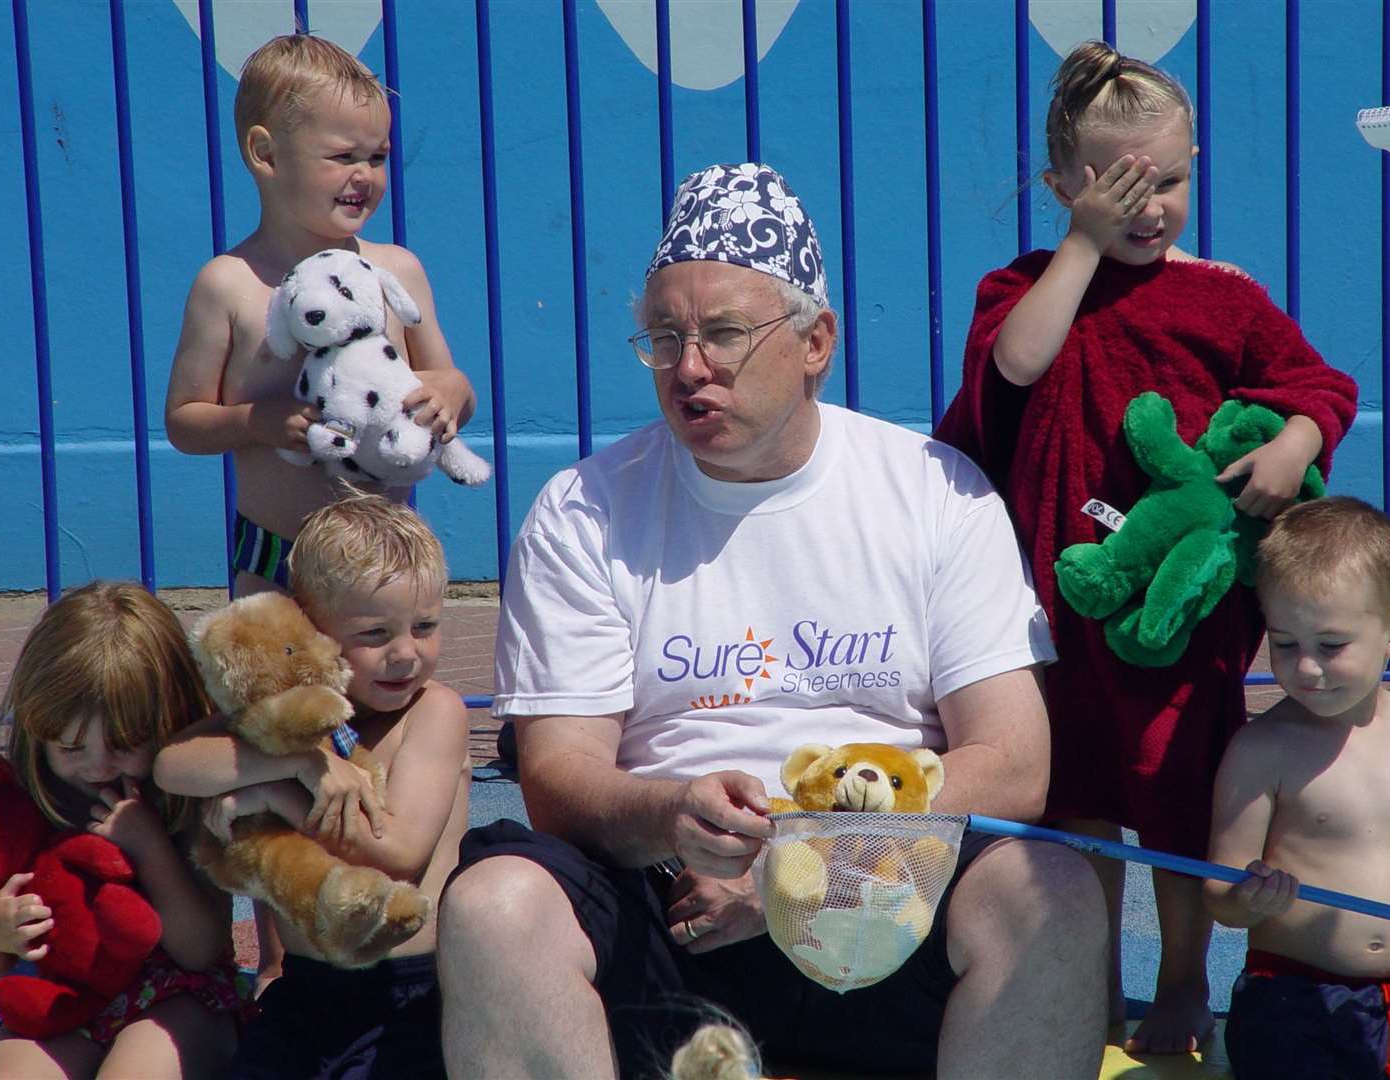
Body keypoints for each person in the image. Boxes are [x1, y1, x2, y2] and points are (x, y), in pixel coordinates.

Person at [438, 161, 1109, 1080]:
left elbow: (1013, 765)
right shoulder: (584, 510)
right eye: (664, 336)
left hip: (883, 895)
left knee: (1056, 894)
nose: (689, 367)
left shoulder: (933, 492)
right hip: (671, 909)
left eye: (723, 333)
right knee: (494, 905)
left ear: (815, 342)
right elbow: (559, 779)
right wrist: (673, 814)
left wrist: (802, 867)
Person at [933, 40, 1359, 1054]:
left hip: (1181, 618)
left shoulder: (1223, 298)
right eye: (1116, 186)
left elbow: (1318, 385)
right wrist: (1078, 249)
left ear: (1195, 165)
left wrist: (1295, 440)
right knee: (1073, 804)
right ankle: (1083, 980)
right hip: (1053, 600)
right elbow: (1018, 366)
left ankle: (1176, 980)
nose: (1147, 205)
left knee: (1176, 798)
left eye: (1167, 180)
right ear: (1060, 187)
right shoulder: (1023, 287)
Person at [163, 31, 475, 992]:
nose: (365, 175)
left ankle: (406, 922)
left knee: (394, 727)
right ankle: (287, 957)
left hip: (381, 565)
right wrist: (256, 418)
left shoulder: (398, 272)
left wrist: (450, 400)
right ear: (265, 154)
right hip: (281, 568)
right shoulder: (232, 283)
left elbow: (446, 376)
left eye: (377, 155)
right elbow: (184, 419)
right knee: (281, 743)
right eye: (343, 154)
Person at [153, 492, 470, 1079]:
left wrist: (277, 797)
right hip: (306, 991)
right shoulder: (295, 717)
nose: (406, 654)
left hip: (408, 996)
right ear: (311, 626)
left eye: (425, 626)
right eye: (376, 634)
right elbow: (173, 764)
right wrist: (297, 765)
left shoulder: (435, 713)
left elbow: (400, 853)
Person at [1205, 496, 1390, 1078]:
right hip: (1294, 998)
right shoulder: (1261, 750)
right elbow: (1220, 890)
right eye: (1284, 644)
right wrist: (1245, 898)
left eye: (1331, 645)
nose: (1306, 668)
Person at [0, 582, 245, 1079]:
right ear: (37, 732)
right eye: (70, 748)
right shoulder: (18, 804)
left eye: (124, 744)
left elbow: (199, 951)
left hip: (177, 999)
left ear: (171, 719)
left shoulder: (188, 801)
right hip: (59, 1000)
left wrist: (150, 847)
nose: (98, 766)